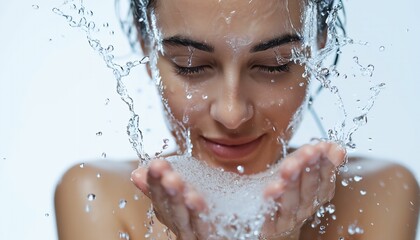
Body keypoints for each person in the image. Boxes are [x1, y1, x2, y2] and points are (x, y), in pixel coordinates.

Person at [54, 0, 419, 239]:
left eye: (274, 64)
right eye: (190, 66)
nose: (231, 114)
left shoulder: (380, 195)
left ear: (318, 47)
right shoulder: (96, 196)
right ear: (148, 48)